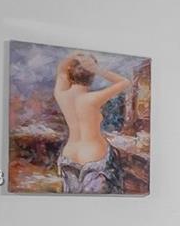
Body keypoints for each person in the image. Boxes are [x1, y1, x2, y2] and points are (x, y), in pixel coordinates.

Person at [53, 52, 131, 193]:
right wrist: (97, 69)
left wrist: (75, 56)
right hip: (94, 155)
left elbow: (61, 70)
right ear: (92, 75)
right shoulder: (93, 98)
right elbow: (125, 82)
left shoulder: (61, 96)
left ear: (70, 74)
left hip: (69, 156)